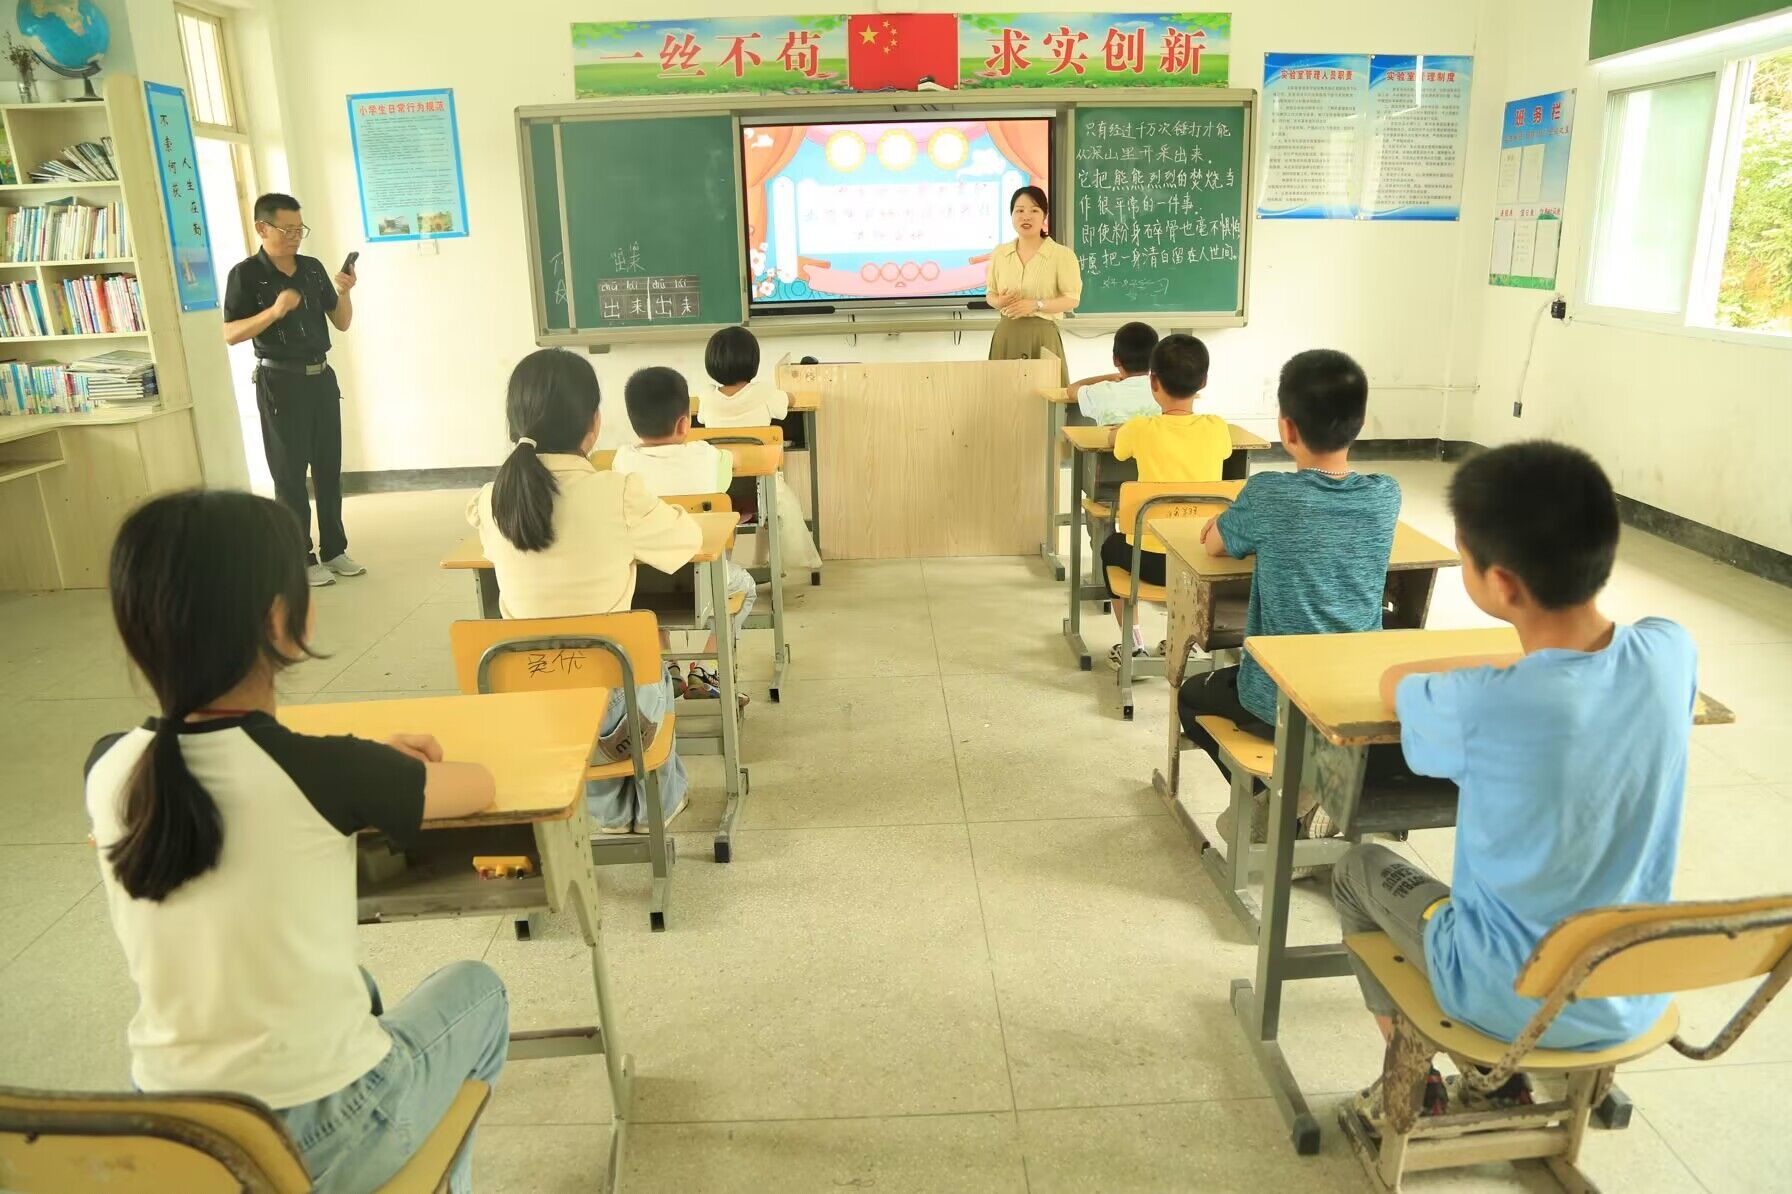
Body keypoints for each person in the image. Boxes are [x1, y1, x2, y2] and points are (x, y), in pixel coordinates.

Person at [85, 489, 506, 1194]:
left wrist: (363, 769)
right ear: (284, 621)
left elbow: (234, 784)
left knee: (360, 987)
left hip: (174, 1137)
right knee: (479, 991)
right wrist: (378, 772)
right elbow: (479, 785)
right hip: (326, 1133)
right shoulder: (331, 774)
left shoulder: (108, 768)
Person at [1334, 441, 1697, 1124]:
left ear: (1500, 584)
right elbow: (1599, 661)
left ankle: (1418, 1082)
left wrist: (1503, 670)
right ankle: (1504, 1082)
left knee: (1356, 869)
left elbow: (1393, 683)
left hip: (1500, 993)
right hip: (1631, 992)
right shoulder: (1671, 652)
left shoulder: (1482, 703)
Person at [468, 349, 699, 833]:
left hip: (523, 700)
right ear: (594, 423)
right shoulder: (618, 491)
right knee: (648, 656)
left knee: (590, 673)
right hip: (613, 708)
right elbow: (687, 542)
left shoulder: (491, 500)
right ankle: (657, 805)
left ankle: (606, 810)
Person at [1177, 350, 1399, 788]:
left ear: (1286, 428)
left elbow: (1215, 546)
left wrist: (1227, 522)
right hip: (1354, 698)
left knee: (1191, 696)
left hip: (1277, 701)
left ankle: (1268, 801)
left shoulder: (1269, 494)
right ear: (1359, 423)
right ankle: (1306, 794)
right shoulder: (1385, 495)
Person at [222, 193, 362, 589]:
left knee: (329, 469)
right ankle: (301, 557)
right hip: (280, 383)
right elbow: (231, 333)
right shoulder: (245, 275)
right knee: (289, 474)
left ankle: (334, 550)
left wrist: (345, 291)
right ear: (261, 228)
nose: (295, 237)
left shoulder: (312, 269)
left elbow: (341, 322)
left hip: (321, 379)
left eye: (300, 229)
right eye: (287, 230)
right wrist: (274, 311)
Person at [614, 366, 761, 698]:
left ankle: (668, 667)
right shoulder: (706, 456)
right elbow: (735, 461)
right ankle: (706, 669)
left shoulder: (623, 462)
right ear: (684, 424)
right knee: (746, 587)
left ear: (633, 423)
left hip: (642, 580)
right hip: (705, 577)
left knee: (648, 611)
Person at [1098, 334, 1232, 668]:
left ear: (1153, 382)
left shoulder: (1140, 429)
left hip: (1149, 563)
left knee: (1110, 546)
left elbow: (1116, 444)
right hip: (1200, 560)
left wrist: (1122, 429)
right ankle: (1186, 640)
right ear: (1203, 382)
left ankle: (1133, 644)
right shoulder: (1217, 428)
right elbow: (1227, 452)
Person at [693, 326, 822, 572]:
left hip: (721, 487)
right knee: (771, 498)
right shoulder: (764, 392)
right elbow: (789, 402)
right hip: (762, 488)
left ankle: (724, 569)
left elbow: (701, 419)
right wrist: (786, 394)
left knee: (725, 513)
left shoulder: (707, 397)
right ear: (753, 361)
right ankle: (763, 562)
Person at [985, 186, 1082, 387]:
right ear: (1012, 216)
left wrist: (1037, 304)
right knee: (1003, 395)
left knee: (1045, 393)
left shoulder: (1062, 255)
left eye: (1034, 210)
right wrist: (999, 301)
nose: (1026, 216)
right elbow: (990, 294)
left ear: (1044, 216)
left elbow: (1072, 299)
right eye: (1019, 210)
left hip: (1042, 335)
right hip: (1007, 333)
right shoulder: (1000, 253)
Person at [1068, 321, 1160, 426]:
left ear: (1116, 360)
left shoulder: (1102, 392)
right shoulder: (1164, 391)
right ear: (1155, 360)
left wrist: (1110, 377)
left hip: (1114, 438)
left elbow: (1071, 390)